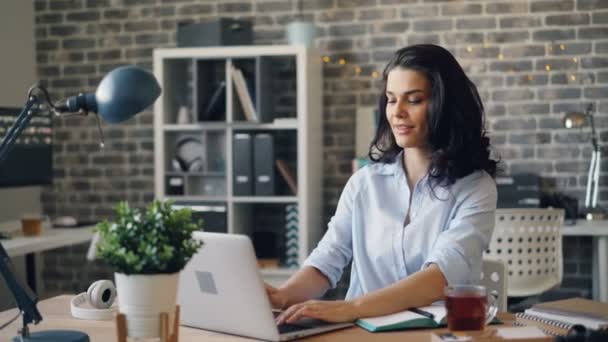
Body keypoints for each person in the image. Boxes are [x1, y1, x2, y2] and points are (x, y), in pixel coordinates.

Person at [268, 44, 498, 324]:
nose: (397, 112)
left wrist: (350, 308)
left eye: (413, 100)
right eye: (391, 99)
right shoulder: (365, 183)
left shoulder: (475, 187)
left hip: (432, 333)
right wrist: (282, 297)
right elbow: (329, 258)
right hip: (362, 333)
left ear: (444, 106)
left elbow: (439, 278)